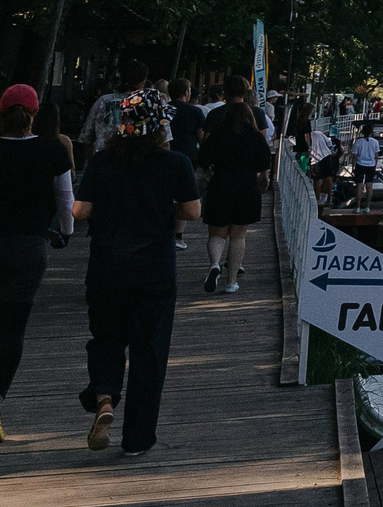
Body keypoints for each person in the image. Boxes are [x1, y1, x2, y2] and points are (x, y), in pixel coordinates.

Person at [73, 89, 199, 457]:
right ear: (161, 125)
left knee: (106, 338)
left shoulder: (101, 162)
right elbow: (192, 212)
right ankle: (137, 440)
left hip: (107, 268)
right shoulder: (175, 163)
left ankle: (106, 400)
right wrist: (163, 207)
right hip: (154, 271)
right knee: (149, 351)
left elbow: (80, 211)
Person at [0, 83, 75, 444]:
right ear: (35, 113)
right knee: (13, 330)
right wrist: (66, 231)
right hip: (28, 247)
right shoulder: (53, 149)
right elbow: (65, 197)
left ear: (0, 113)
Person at [197, 94, 273, 295]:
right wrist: (264, 179)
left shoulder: (219, 134)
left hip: (220, 185)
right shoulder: (256, 136)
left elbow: (203, 160)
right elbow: (265, 164)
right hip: (246, 187)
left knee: (217, 233)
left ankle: (215, 264)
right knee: (238, 236)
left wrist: (206, 176)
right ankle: (231, 281)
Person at [166, 79, 205, 250]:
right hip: (188, 156)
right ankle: (178, 235)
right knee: (184, 194)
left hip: (165, 154)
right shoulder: (195, 111)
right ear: (187, 93)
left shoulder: (163, 108)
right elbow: (201, 137)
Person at [347, 123, 383, 209]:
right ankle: (367, 207)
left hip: (360, 164)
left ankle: (358, 207)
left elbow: (354, 156)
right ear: (371, 132)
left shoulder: (358, 142)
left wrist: (353, 167)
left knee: (359, 186)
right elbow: (376, 156)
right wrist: (374, 165)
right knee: (369, 186)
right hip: (371, 165)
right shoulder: (375, 142)